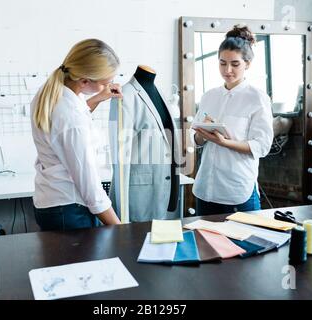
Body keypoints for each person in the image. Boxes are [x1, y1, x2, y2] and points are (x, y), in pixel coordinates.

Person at [31, 39, 122, 231]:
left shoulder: (48, 95)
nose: (110, 85)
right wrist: (121, 229)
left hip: (51, 203)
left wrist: (97, 97)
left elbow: (65, 125)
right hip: (70, 210)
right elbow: (90, 188)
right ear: (84, 81)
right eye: (106, 82)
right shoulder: (70, 117)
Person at [191, 25, 274, 215]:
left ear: (247, 64)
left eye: (235, 64)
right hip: (205, 189)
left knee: (244, 243)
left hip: (237, 190)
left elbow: (261, 146)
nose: (227, 70)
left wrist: (224, 142)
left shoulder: (257, 97)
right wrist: (203, 134)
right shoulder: (209, 96)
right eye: (222, 63)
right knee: (205, 243)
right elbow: (195, 140)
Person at [108, 65, 181, 223]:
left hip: (163, 188)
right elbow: (120, 158)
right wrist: (122, 217)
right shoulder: (125, 95)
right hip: (139, 195)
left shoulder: (159, 92)